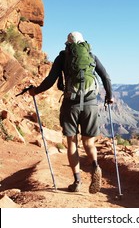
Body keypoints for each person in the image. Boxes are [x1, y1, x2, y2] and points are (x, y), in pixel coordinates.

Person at [29, 31, 113, 193]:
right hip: (90, 104)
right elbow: (106, 78)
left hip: (71, 105)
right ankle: (95, 166)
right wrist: (109, 96)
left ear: (68, 44)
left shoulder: (62, 57)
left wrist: (36, 91)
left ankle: (77, 182)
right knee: (89, 142)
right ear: (82, 43)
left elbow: (50, 80)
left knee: (72, 142)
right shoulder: (91, 56)